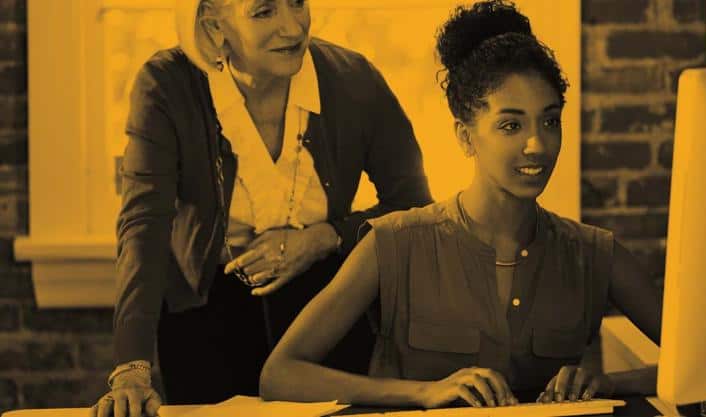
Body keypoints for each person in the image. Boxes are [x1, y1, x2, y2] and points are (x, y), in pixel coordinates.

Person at [260, 0, 662, 409]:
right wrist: (424, 392)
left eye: (550, 120)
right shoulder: (394, 243)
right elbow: (281, 374)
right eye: (510, 125)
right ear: (466, 137)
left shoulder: (592, 254)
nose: (537, 144)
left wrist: (610, 382)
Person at [91, 0, 432, 416]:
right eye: (264, 11)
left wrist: (325, 238)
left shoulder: (354, 79)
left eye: (297, 3)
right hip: (205, 309)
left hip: (325, 305)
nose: (292, 28)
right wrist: (132, 367)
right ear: (216, 26)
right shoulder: (166, 85)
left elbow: (413, 207)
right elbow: (143, 227)